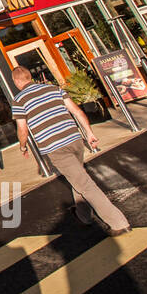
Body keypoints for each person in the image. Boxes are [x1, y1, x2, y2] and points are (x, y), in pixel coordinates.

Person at [10, 66, 131, 236]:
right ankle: (83, 216)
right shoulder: (53, 89)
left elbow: (22, 129)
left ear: (16, 81)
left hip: (55, 147)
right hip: (74, 140)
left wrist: (23, 146)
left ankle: (118, 223)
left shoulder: (19, 101)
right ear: (30, 77)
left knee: (85, 184)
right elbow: (77, 111)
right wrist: (89, 133)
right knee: (78, 177)